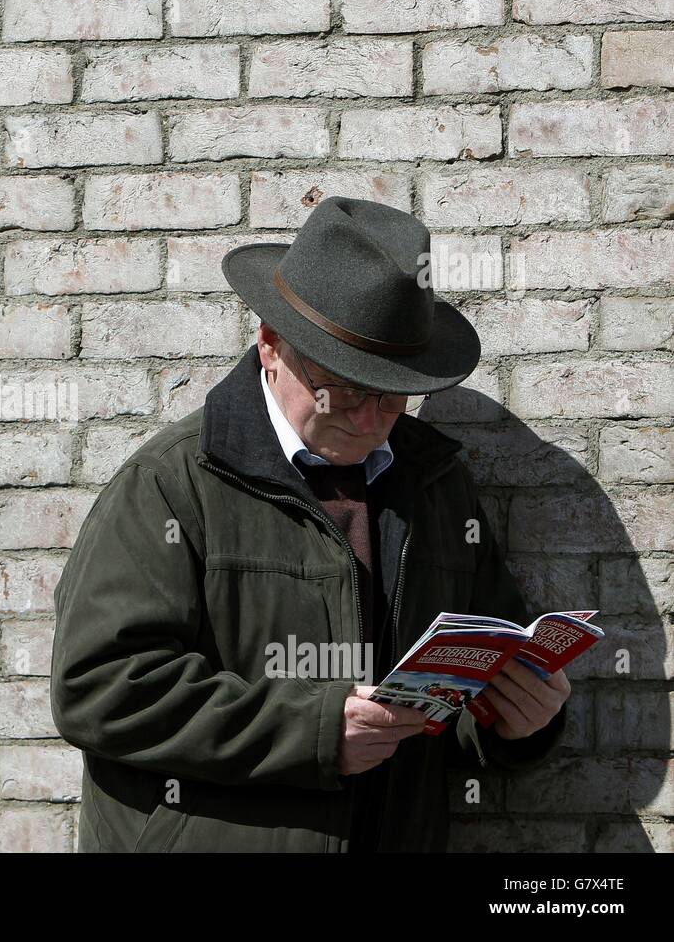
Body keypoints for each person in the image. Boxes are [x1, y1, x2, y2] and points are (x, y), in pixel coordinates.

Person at [49, 195, 571, 852]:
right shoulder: (172, 483)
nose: (369, 416)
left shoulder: (438, 489)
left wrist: (514, 721)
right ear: (270, 344)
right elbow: (98, 687)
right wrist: (314, 733)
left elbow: (452, 702)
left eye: (392, 391)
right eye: (344, 386)